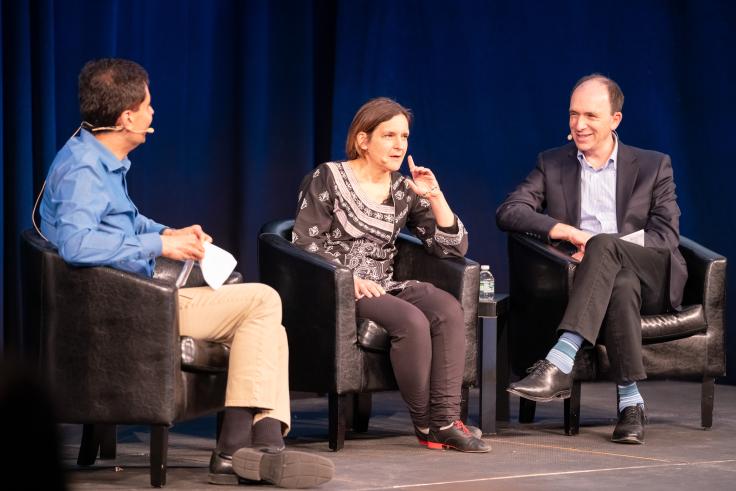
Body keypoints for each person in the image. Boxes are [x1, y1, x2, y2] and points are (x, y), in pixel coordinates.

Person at [38, 58, 333, 488]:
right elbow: (78, 245)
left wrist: (168, 232)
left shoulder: (96, 155)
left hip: (141, 297)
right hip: (130, 309)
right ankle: (241, 450)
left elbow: (124, 221)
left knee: (269, 328)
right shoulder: (84, 170)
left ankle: (257, 447)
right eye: (148, 106)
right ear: (126, 118)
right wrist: (161, 246)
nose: (153, 114)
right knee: (263, 300)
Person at [496, 74, 687, 444]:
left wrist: (601, 245)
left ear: (615, 120)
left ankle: (560, 360)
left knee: (605, 249)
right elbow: (509, 211)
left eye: (590, 116)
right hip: (591, 281)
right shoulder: (553, 164)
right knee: (619, 281)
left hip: (651, 275)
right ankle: (631, 404)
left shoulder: (652, 165)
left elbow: (665, 236)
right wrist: (569, 232)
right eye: (573, 114)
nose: (579, 125)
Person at [293, 97, 489, 453]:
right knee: (412, 321)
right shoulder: (329, 177)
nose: (399, 145)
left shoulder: (402, 189)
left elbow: (451, 247)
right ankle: (425, 424)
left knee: (447, 309)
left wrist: (435, 196)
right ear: (363, 140)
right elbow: (303, 241)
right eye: (389, 135)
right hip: (340, 288)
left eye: (404, 136)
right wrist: (346, 277)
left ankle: (446, 420)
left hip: (385, 283)